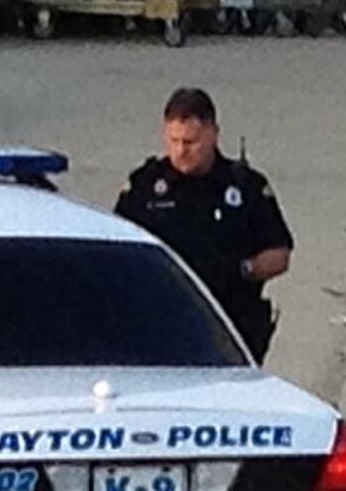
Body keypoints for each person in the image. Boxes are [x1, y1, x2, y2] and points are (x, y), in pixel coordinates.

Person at [116, 87, 293, 362]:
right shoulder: (146, 185)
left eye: (190, 142)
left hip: (229, 324)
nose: (180, 151)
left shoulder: (245, 187)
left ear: (213, 134)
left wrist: (244, 269)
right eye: (173, 141)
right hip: (160, 324)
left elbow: (279, 254)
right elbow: (118, 246)